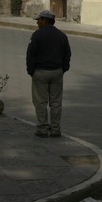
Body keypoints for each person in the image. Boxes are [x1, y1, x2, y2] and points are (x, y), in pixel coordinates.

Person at [26, 10, 71, 138]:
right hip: (57, 72)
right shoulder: (62, 35)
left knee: (40, 102)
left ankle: (43, 129)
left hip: (41, 72)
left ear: (45, 21)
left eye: (39, 20)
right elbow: (67, 55)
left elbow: (31, 55)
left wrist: (31, 71)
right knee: (56, 102)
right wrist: (63, 69)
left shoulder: (37, 35)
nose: (37, 22)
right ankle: (56, 129)